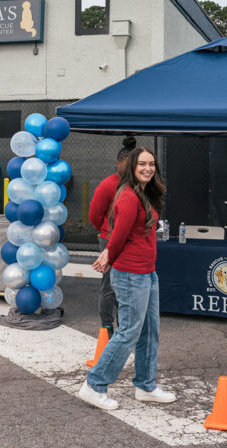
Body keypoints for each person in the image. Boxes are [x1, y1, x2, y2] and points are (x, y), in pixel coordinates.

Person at [79, 146, 176, 410]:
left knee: (149, 331)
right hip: (131, 274)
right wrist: (108, 255)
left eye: (152, 164)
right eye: (142, 164)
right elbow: (118, 234)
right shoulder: (129, 197)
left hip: (147, 271)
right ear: (132, 167)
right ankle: (94, 384)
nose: (148, 168)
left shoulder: (144, 194)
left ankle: (145, 385)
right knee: (129, 332)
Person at [87, 136, 137, 338]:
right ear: (118, 164)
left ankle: (125, 323)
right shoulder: (108, 185)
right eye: (127, 165)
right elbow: (94, 215)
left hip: (131, 241)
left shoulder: (139, 184)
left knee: (128, 283)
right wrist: (108, 231)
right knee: (109, 285)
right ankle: (107, 326)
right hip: (110, 240)